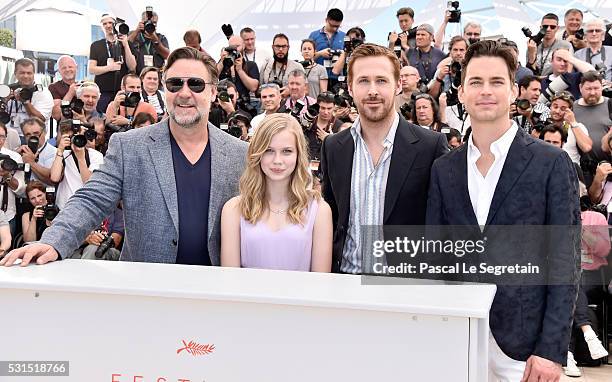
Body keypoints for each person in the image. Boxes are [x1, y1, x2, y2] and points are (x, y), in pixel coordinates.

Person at [1, 47, 248, 267]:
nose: (184, 93)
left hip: (215, 290)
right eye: (174, 84)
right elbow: (92, 199)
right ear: (165, 89)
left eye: (195, 84)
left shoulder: (239, 153)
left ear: (214, 92)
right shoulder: (129, 146)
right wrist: (54, 242)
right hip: (145, 290)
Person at [427, 40, 580, 381]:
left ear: (513, 91)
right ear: (462, 93)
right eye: (476, 82)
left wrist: (551, 351)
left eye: (496, 82)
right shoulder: (444, 169)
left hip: (524, 350)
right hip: (458, 339)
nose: (486, 91)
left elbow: (564, 262)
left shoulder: (551, 163)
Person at [320, 43, 448, 274]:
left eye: (381, 80)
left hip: (403, 288)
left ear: (398, 85)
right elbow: (331, 216)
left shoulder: (431, 146)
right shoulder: (334, 147)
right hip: (344, 284)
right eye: (363, 81)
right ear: (350, 87)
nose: (372, 91)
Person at [220, 113, 332, 271]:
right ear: (257, 153)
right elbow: (229, 282)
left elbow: (321, 283)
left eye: (287, 151)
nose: (277, 160)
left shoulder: (319, 210)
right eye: (269, 150)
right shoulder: (233, 209)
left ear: (298, 154)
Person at [88, 14, 138, 113]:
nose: (108, 26)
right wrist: (110, 67)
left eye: (110, 23)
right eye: (104, 24)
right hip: (103, 92)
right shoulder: (96, 45)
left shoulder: (127, 45)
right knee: (103, 117)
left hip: (123, 91)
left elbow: (132, 67)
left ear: (115, 25)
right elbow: (91, 69)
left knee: (123, 117)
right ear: (102, 27)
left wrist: (126, 44)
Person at [50, 122, 104, 209]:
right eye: (71, 137)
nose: (76, 140)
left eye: (79, 136)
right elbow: (54, 178)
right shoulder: (63, 154)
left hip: (86, 206)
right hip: (65, 207)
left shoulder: (96, 155)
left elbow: (89, 183)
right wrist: (60, 150)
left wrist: (81, 158)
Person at [5, 58, 53, 140]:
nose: (26, 76)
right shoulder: (7, 90)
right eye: (22, 73)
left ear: (34, 74)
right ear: (15, 73)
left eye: (29, 73)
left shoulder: (42, 92)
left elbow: (40, 119)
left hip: (32, 137)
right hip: (8, 136)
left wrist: (25, 102)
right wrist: (4, 101)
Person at [308, 8, 345, 88]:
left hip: (337, 79)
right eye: (332, 26)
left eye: (337, 26)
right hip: (317, 78)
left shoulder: (344, 36)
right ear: (326, 20)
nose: (335, 29)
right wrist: (320, 53)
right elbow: (307, 58)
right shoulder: (314, 35)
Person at [16, 117, 57, 186]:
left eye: (36, 134)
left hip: (44, 194)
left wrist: (31, 163)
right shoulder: (20, 151)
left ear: (44, 132)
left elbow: (52, 179)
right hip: (22, 194)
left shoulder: (54, 152)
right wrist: (15, 156)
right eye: (28, 135)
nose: (32, 138)